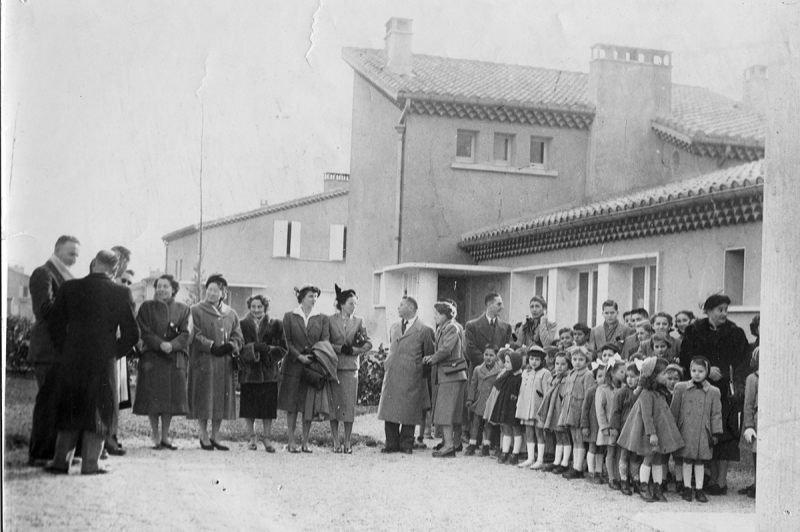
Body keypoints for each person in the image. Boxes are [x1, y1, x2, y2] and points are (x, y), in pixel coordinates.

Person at [45, 250, 139, 475]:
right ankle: (90, 464)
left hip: (72, 359)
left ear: (94, 263)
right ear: (115, 270)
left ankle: (60, 463)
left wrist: (65, 349)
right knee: (100, 410)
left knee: (70, 407)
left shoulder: (69, 288)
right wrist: (113, 352)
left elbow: (54, 325)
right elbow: (133, 334)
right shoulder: (122, 292)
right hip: (103, 361)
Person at [679, 294, 749, 496]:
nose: (724, 313)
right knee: (705, 431)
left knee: (725, 433)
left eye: (726, 309)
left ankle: (721, 481)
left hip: (726, 392)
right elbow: (686, 357)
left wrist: (728, 376)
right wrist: (706, 370)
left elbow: (744, 361)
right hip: (701, 387)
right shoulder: (694, 331)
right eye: (720, 309)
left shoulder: (735, 333)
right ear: (708, 311)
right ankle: (709, 477)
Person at [27, 235, 80, 466]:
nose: (75, 259)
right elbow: (44, 309)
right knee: (48, 403)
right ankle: (40, 454)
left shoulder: (66, 275)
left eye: (77, 255)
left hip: (62, 350)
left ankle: (55, 453)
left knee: (59, 402)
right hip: (48, 349)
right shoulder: (43, 273)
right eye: (71, 253)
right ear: (57, 250)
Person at [133, 274, 191, 449]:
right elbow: (143, 330)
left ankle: (166, 435)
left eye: (166, 286)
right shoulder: (146, 307)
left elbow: (187, 333)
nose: (161, 289)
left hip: (173, 358)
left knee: (170, 401)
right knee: (153, 399)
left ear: (173, 289)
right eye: (159, 286)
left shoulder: (183, 309)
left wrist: (172, 345)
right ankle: (155, 435)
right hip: (152, 357)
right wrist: (160, 344)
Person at [188, 274, 243, 451]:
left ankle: (215, 436)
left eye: (216, 290)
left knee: (221, 398)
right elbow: (193, 334)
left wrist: (231, 346)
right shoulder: (196, 310)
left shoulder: (231, 313)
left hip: (224, 363)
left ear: (223, 292)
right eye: (209, 289)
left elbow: (238, 335)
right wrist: (211, 346)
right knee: (204, 396)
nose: (211, 293)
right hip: (204, 360)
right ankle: (203, 434)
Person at [617, 357, 684, 502]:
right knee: (648, 458)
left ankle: (658, 487)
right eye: (663, 374)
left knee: (658, 459)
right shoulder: (646, 394)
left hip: (660, 430)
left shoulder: (660, 392)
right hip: (650, 432)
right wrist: (652, 433)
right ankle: (644, 486)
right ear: (653, 376)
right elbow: (647, 416)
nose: (666, 377)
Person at [378, 296, 435, 454]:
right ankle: (391, 443)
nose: (398, 308)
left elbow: (429, 354)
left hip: (412, 376)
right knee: (390, 409)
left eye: (401, 305)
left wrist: (419, 372)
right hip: (392, 375)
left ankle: (406, 444)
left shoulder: (424, 329)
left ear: (411, 308)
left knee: (409, 411)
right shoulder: (394, 326)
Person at [279, 284, 331, 453]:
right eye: (310, 296)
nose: (314, 299)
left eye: (316, 296)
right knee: (292, 405)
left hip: (312, 367)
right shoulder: (289, 316)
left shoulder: (322, 318)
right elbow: (286, 341)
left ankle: (305, 442)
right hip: (293, 366)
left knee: (308, 406)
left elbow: (325, 341)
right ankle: (291, 440)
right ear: (301, 298)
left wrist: (314, 356)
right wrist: (299, 356)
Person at [670, 356, 723, 504]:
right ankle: (687, 488)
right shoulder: (681, 388)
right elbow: (674, 411)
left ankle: (699, 489)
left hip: (703, 431)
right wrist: (673, 430)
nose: (697, 374)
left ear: (707, 372)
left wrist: (716, 432)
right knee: (687, 458)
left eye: (701, 371)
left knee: (700, 460)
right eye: (694, 370)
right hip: (685, 430)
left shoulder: (713, 391)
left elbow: (716, 414)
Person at [238, 295, 287, 453]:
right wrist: (252, 349)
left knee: (267, 408)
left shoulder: (276, 324)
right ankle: (252, 437)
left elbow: (283, 348)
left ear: (265, 308)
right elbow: (238, 348)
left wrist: (269, 351)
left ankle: (267, 439)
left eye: (259, 307)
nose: (256, 310)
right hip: (249, 372)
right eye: (253, 306)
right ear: (249, 307)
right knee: (248, 407)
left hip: (268, 372)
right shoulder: (242, 324)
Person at [328, 285, 372, 454]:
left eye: (355, 304)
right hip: (334, 366)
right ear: (341, 304)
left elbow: (368, 342)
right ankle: (335, 442)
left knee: (348, 405)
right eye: (350, 303)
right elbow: (325, 341)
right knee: (334, 405)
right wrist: (339, 348)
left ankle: (347, 442)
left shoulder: (359, 321)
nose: (353, 307)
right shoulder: (330, 320)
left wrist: (354, 350)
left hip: (350, 368)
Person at [424, 301, 468, 458]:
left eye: (436, 313)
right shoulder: (444, 328)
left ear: (444, 314)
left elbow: (446, 349)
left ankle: (449, 446)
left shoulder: (450, 327)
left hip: (451, 375)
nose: (434, 316)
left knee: (445, 412)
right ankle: (451, 443)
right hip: (449, 375)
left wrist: (431, 358)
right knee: (449, 412)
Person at [558, 346, 596, 479]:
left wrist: (585, 416)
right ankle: (575, 465)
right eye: (574, 359)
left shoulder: (588, 375)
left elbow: (588, 395)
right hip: (570, 410)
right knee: (574, 438)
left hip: (580, 410)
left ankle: (578, 468)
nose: (577, 362)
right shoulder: (571, 373)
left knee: (579, 439)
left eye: (581, 359)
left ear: (587, 360)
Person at [515, 346, 551, 468]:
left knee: (539, 432)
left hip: (538, 407)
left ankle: (540, 459)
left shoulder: (545, 373)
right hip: (526, 407)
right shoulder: (525, 372)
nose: (533, 362)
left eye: (537, 359)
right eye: (531, 359)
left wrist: (544, 410)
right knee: (529, 432)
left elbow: (547, 393)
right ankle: (530, 458)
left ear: (542, 360)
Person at [611, 361, 642, 496]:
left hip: (637, 427)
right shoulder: (621, 392)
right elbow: (615, 411)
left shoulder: (642, 392)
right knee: (624, 454)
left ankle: (635, 479)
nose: (630, 379)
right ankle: (624, 480)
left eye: (634, 376)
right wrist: (614, 428)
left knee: (635, 455)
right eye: (628, 376)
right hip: (624, 427)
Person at [489, 349, 524, 464]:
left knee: (515, 428)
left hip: (514, 406)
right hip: (506, 404)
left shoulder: (520, 377)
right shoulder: (507, 375)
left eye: (508, 362)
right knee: (506, 428)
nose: (505, 364)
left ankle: (515, 453)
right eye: (505, 361)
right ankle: (505, 451)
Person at [538, 351, 571, 472]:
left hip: (563, 409)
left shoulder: (568, 378)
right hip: (554, 409)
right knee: (558, 435)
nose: (559, 366)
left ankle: (565, 462)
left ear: (568, 365)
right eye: (557, 363)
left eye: (563, 364)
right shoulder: (554, 377)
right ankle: (557, 461)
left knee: (565, 435)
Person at [464, 346, 501, 456]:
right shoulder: (477, 369)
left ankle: (486, 445)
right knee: (475, 423)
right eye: (486, 354)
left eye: (491, 355)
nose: (488, 357)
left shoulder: (498, 371)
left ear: (496, 357)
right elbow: (473, 384)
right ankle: (472, 444)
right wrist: (470, 398)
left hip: (490, 401)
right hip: (479, 400)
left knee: (488, 424)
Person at [597, 357, 625, 490]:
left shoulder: (624, 388)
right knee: (611, 452)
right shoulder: (603, 389)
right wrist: (604, 427)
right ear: (612, 373)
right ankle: (611, 477)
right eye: (621, 372)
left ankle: (620, 476)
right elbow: (600, 410)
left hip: (621, 426)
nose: (624, 374)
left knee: (619, 452)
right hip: (609, 426)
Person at [740, 347, 759, 499]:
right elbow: (748, 404)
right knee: (757, 453)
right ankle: (757, 483)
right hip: (758, 420)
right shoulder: (753, 378)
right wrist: (749, 425)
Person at [581, 361, 604, 483]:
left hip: (603, 424)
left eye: (605, 376)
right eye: (600, 376)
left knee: (601, 448)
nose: (603, 379)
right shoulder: (591, 391)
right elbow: (585, 409)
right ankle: (591, 471)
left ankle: (599, 471)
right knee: (593, 446)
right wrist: (585, 425)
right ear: (595, 378)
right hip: (593, 423)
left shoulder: (609, 390)